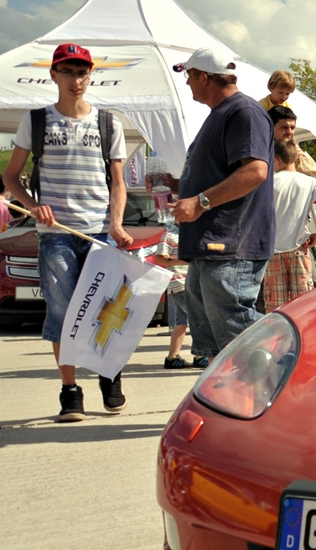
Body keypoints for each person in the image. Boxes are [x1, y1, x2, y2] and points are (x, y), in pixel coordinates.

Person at [1, 42, 132, 420]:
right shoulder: (37, 120)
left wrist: (116, 224)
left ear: (91, 76)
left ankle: (110, 375)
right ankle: (70, 391)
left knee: (106, 309)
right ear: (54, 74)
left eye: (82, 72)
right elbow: (10, 176)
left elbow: (118, 182)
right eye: (69, 72)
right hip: (54, 232)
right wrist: (31, 204)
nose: (76, 80)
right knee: (61, 310)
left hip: (98, 233)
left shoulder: (108, 122)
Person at [170, 47, 275, 368]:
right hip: (212, 245)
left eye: (189, 76)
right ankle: (233, 404)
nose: (187, 83)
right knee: (217, 345)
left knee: (237, 330)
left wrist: (200, 202)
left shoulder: (243, 112)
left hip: (230, 243)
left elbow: (256, 171)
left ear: (204, 77)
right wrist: (177, 186)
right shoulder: (223, 114)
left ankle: (283, 382)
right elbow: (221, 173)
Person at [264, 139, 316, 311]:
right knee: (302, 305)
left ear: (276, 159)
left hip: (273, 250)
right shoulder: (309, 182)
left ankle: (277, 338)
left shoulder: (268, 182)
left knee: (275, 306)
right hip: (299, 249)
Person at [147, 224, 194, 368]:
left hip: (191, 283)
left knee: (182, 322)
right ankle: (201, 354)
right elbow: (160, 258)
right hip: (180, 283)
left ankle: (172, 356)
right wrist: (183, 261)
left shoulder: (193, 232)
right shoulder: (170, 236)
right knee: (198, 319)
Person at [265, 104, 316, 178]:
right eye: (284, 127)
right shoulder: (259, 151)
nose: (290, 132)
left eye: (292, 128)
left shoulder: (296, 153)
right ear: (270, 127)